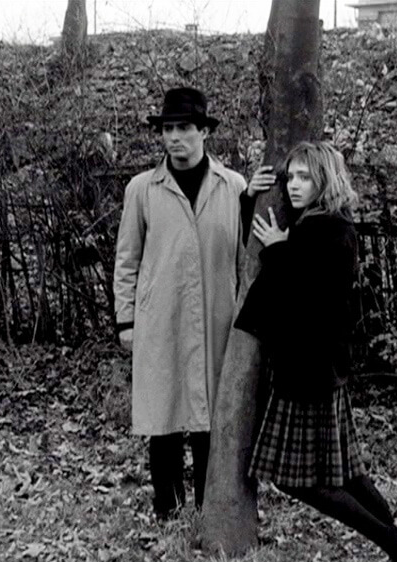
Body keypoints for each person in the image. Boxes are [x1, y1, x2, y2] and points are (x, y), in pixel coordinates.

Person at [234, 142, 397, 562]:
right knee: (346, 471)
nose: (294, 185)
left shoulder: (330, 230)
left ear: (325, 180)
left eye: (305, 177)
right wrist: (250, 201)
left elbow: (311, 300)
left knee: (299, 482)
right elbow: (261, 261)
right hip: (314, 368)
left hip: (309, 372)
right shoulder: (314, 224)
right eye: (291, 177)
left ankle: (392, 540)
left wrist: (279, 249)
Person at [113, 87, 264, 520]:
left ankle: (208, 506)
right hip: (161, 316)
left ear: (204, 132)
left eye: (183, 128)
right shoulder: (142, 189)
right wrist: (126, 320)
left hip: (218, 316)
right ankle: (169, 509)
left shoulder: (232, 186)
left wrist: (245, 317)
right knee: (163, 413)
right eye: (167, 129)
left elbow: (246, 256)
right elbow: (127, 259)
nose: (174, 137)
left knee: (211, 415)